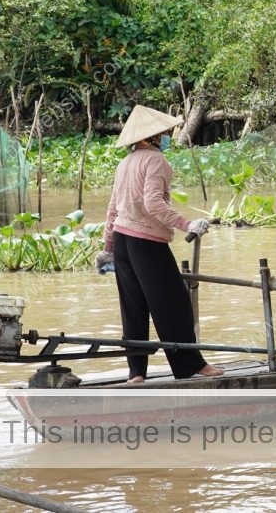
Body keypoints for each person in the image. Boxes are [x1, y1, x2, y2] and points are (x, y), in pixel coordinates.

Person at [103, 105, 221, 384]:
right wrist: (187, 224)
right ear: (151, 137)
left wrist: (107, 246)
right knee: (174, 304)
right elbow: (153, 202)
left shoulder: (125, 163)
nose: (168, 136)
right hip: (146, 242)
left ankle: (136, 373)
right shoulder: (155, 161)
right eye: (165, 133)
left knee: (133, 307)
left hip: (122, 241)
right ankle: (190, 365)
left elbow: (112, 208)